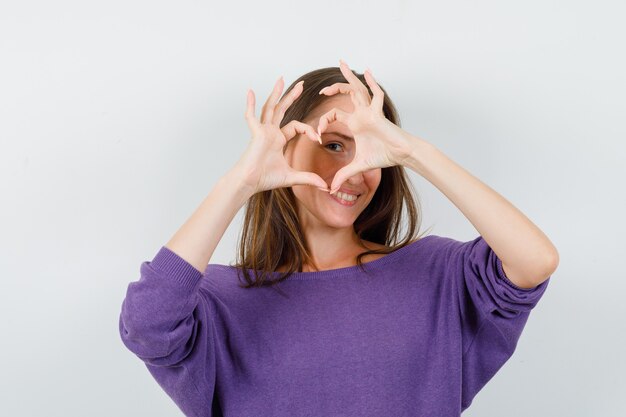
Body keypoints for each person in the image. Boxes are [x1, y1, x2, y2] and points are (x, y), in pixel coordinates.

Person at [118, 59, 558, 416]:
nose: (355, 170)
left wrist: (411, 151)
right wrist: (243, 180)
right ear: (286, 145)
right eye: (333, 144)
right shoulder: (220, 299)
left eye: (373, 150)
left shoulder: (435, 274)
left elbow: (535, 260)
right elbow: (147, 323)